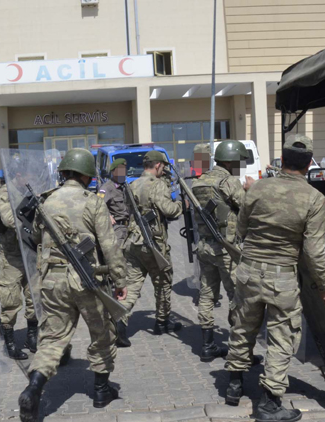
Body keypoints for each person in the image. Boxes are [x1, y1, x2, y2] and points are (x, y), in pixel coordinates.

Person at [224, 134, 325, 422]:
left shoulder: (258, 188)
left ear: (282, 159)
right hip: (282, 276)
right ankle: (270, 403)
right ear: (310, 163)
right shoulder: (314, 198)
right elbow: (313, 252)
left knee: (243, 324)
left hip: (248, 270)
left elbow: (242, 228)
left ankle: (234, 385)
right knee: (282, 336)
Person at [18, 148, 128, 422]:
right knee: (102, 332)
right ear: (86, 175)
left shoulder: (47, 201)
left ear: (64, 173)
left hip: (52, 281)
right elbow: (109, 246)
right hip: (87, 280)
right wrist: (120, 281)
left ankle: (33, 389)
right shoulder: (92, 202)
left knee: (53, 338)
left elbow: (35, 238)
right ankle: (102, 391)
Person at [191, 140, 253, 362]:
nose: (241, 165)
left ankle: (207, 345)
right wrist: (249, 189)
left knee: (207, 295)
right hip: (226, 249)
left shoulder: (199, 182)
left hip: (205, 246)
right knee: (238, 296)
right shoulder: (228, 181)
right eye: (239, 161)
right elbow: (248, 208)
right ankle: (240, 352)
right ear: (230, 160)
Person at [121, 150, 183, 337]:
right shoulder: (157, 185)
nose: (163, 170)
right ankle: (162, 322)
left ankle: (120, 322)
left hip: (133, 242)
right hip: (153, 244)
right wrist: (181, 205)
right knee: (163, 282)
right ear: (158, 166)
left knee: (132, 285)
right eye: (162, 167)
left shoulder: (132, 185)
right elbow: (169, 210)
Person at [0, 173, 36, 360]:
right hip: (12, 255)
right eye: (24, 173)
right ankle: (9, 343)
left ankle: (32, 336)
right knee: (10, 300)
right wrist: (33, 220)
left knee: (35, 296)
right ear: (16, 174)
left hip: (31, 252)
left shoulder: (31, 191)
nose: (28, 176)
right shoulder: (5, 192)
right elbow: (10, 219)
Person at [97, 158, 130, 245]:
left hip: (130, 227)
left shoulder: (126, 187)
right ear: (113, 171)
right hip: (117, 228)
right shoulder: (106, 188)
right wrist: (108, 215)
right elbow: (97, 205)